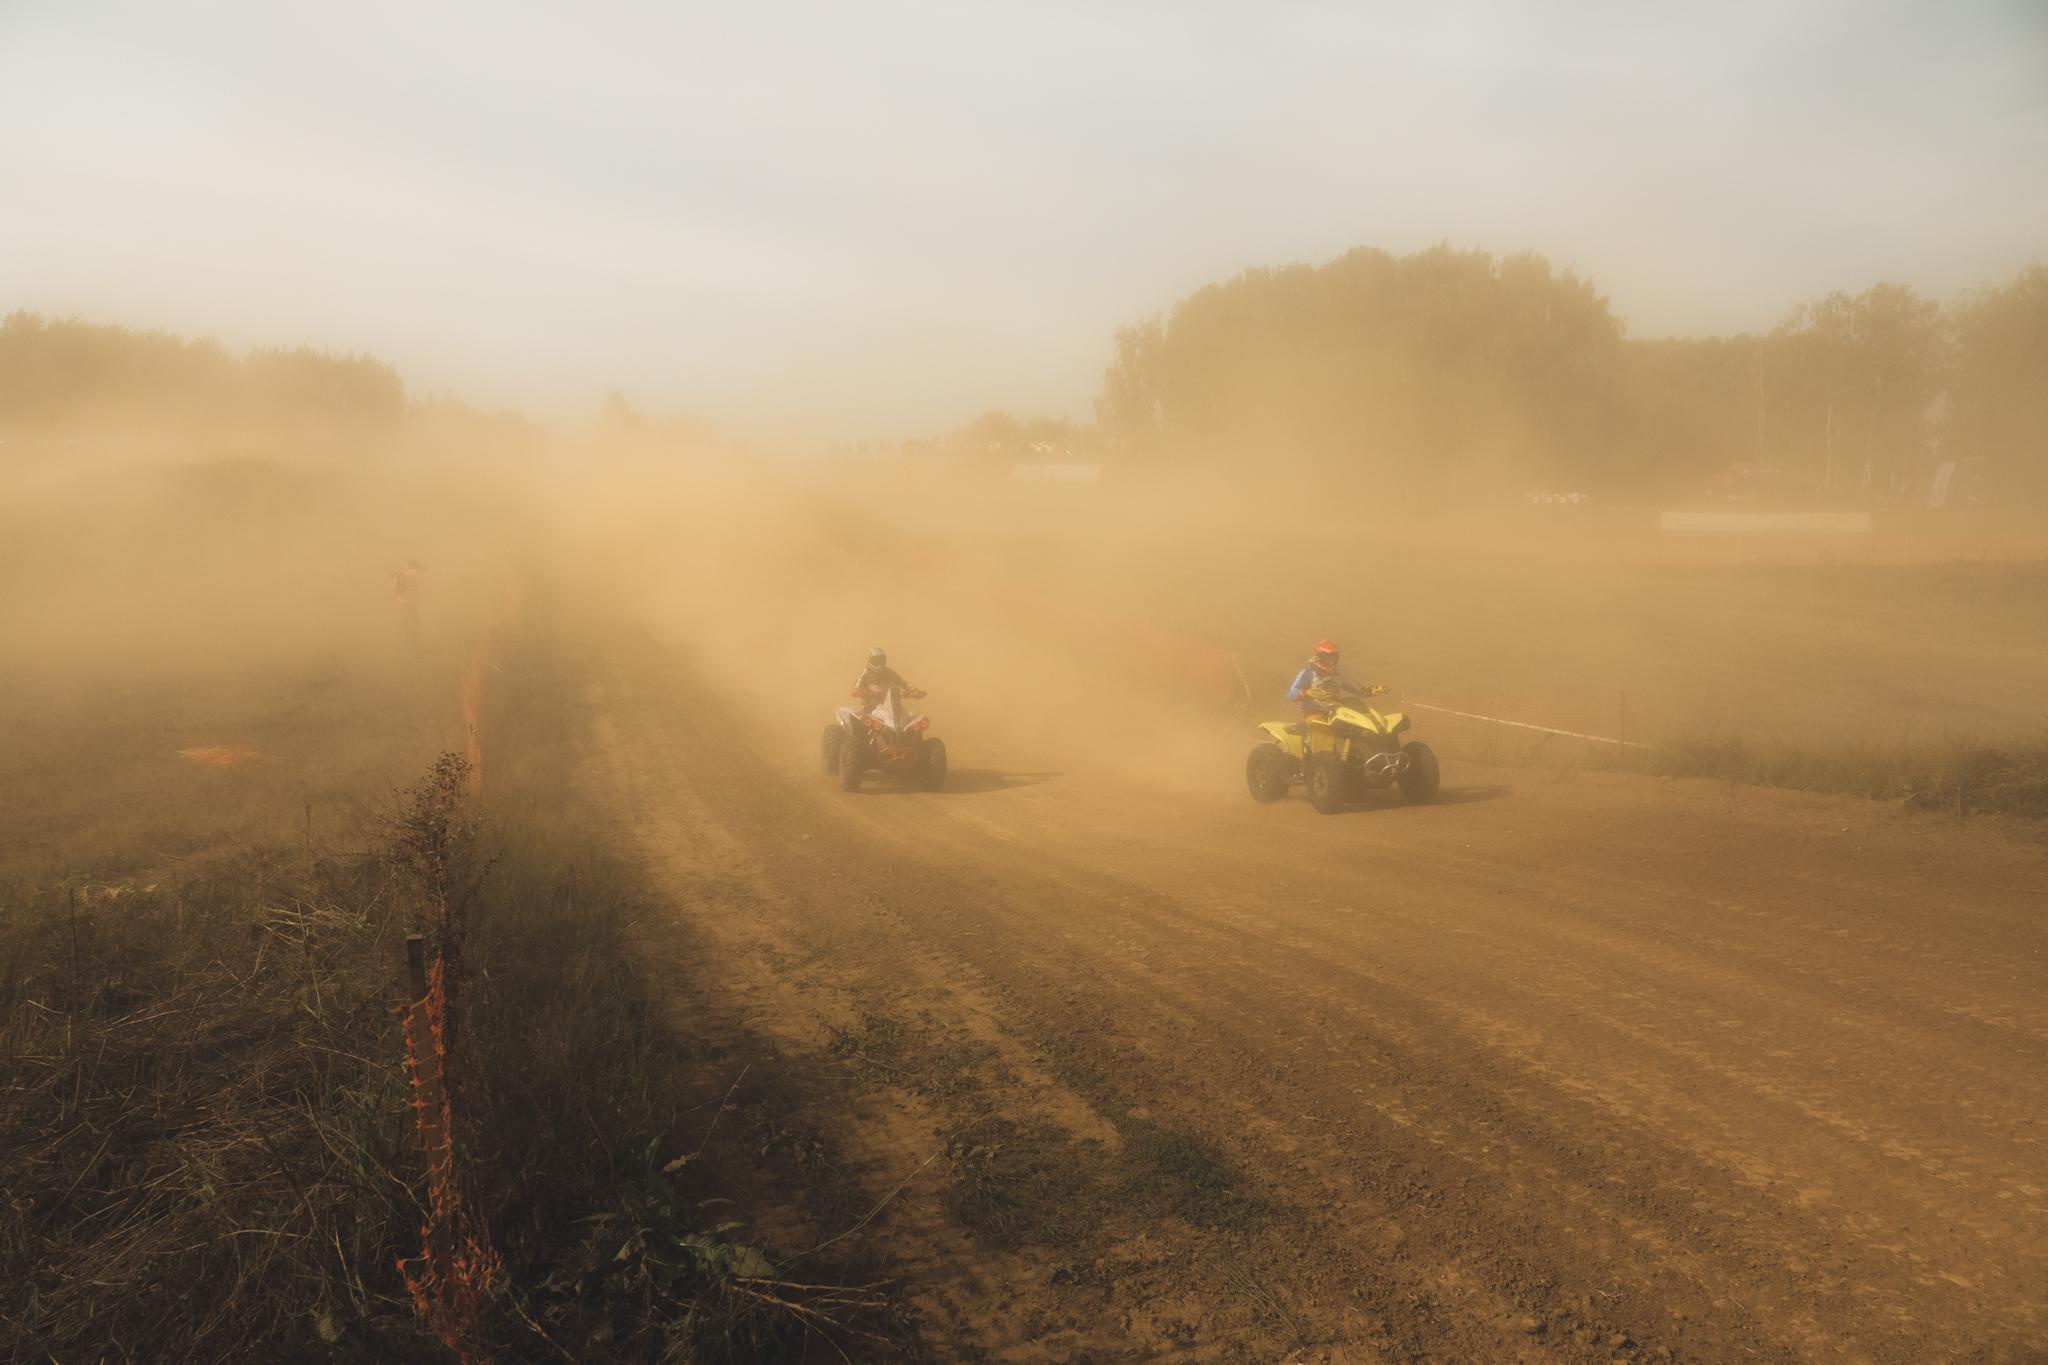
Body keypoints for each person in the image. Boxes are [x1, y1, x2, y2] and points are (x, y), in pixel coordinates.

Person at [1286, 639, 1371, 715]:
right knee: (1318, 725)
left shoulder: (1338, 671)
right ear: (1320, 656)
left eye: (1334, 656)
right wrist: (1307, 692)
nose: (1332, 660)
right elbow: (1290, 694)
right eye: (1328, 657)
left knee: (1359, 715)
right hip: (1313, 711)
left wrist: (1370, 691)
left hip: (1336, 709)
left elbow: (1354, 687)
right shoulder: (1308, 672)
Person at [851, 647, 922, 712]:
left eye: (881, 660)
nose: (879, 664)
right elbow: (855, 689)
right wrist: (859, 692)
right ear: (869, 660)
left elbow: (902, 682)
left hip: (891, 705)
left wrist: (914, 690)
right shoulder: (865, 674)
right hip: (871, 707)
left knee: (907, 718)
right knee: (864, 720)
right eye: (876, 661)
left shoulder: (888, 671)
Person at [392, 557, 424, 656]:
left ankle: (411, 649)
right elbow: (397, 593)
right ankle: (412, 650)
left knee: (410, 626)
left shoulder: (405, 575)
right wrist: (405, 599)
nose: (415, 571)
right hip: (406, 604)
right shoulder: (402, 576)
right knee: (410, 627)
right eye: (413, 569)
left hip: (409, 603)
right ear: (409, 567)